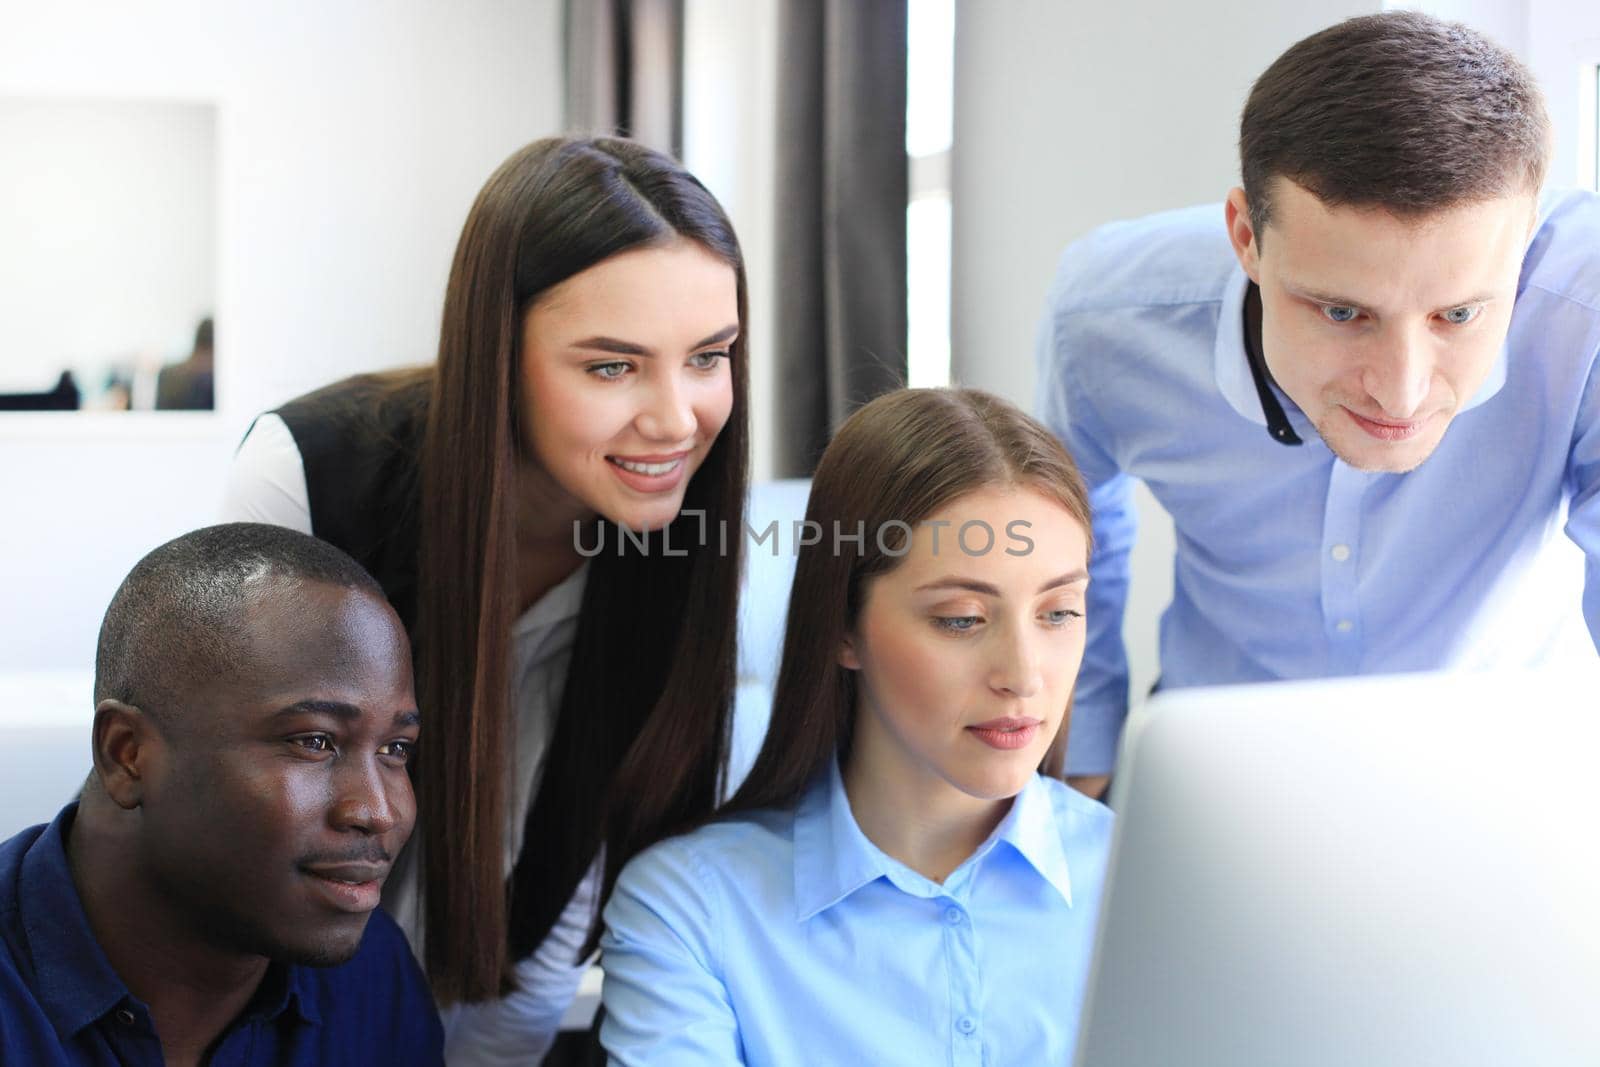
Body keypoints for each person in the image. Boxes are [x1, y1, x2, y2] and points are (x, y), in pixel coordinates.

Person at [221, 135, 749, 1060]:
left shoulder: (675, 535)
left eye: (709, 356)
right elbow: (234, 829)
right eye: (612, 366)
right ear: (498, 352)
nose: (677, 418)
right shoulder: (312, 474)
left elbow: (571, 864)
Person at [1035, 11, 1600, 795]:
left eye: (1458, 315)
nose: (1400, 392)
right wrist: (1084, 766)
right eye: (1343, 312)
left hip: (1504, 777)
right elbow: (1073, 534)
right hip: (1217, 774)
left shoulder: (1587, 309)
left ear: (1527, 237)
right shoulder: (1106, 321)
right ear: (1246, 237)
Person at [600, 388, 1115, 1065]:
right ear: (843, 625)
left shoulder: (1155, 885)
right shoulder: (693, 908)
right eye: (961, 618)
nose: (1023, 674)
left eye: (1057, 612)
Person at [0, 522, 442, 1066]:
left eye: (396, 749)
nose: (376, 811)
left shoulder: (370, 976)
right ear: (127, 753)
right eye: (315, 741)